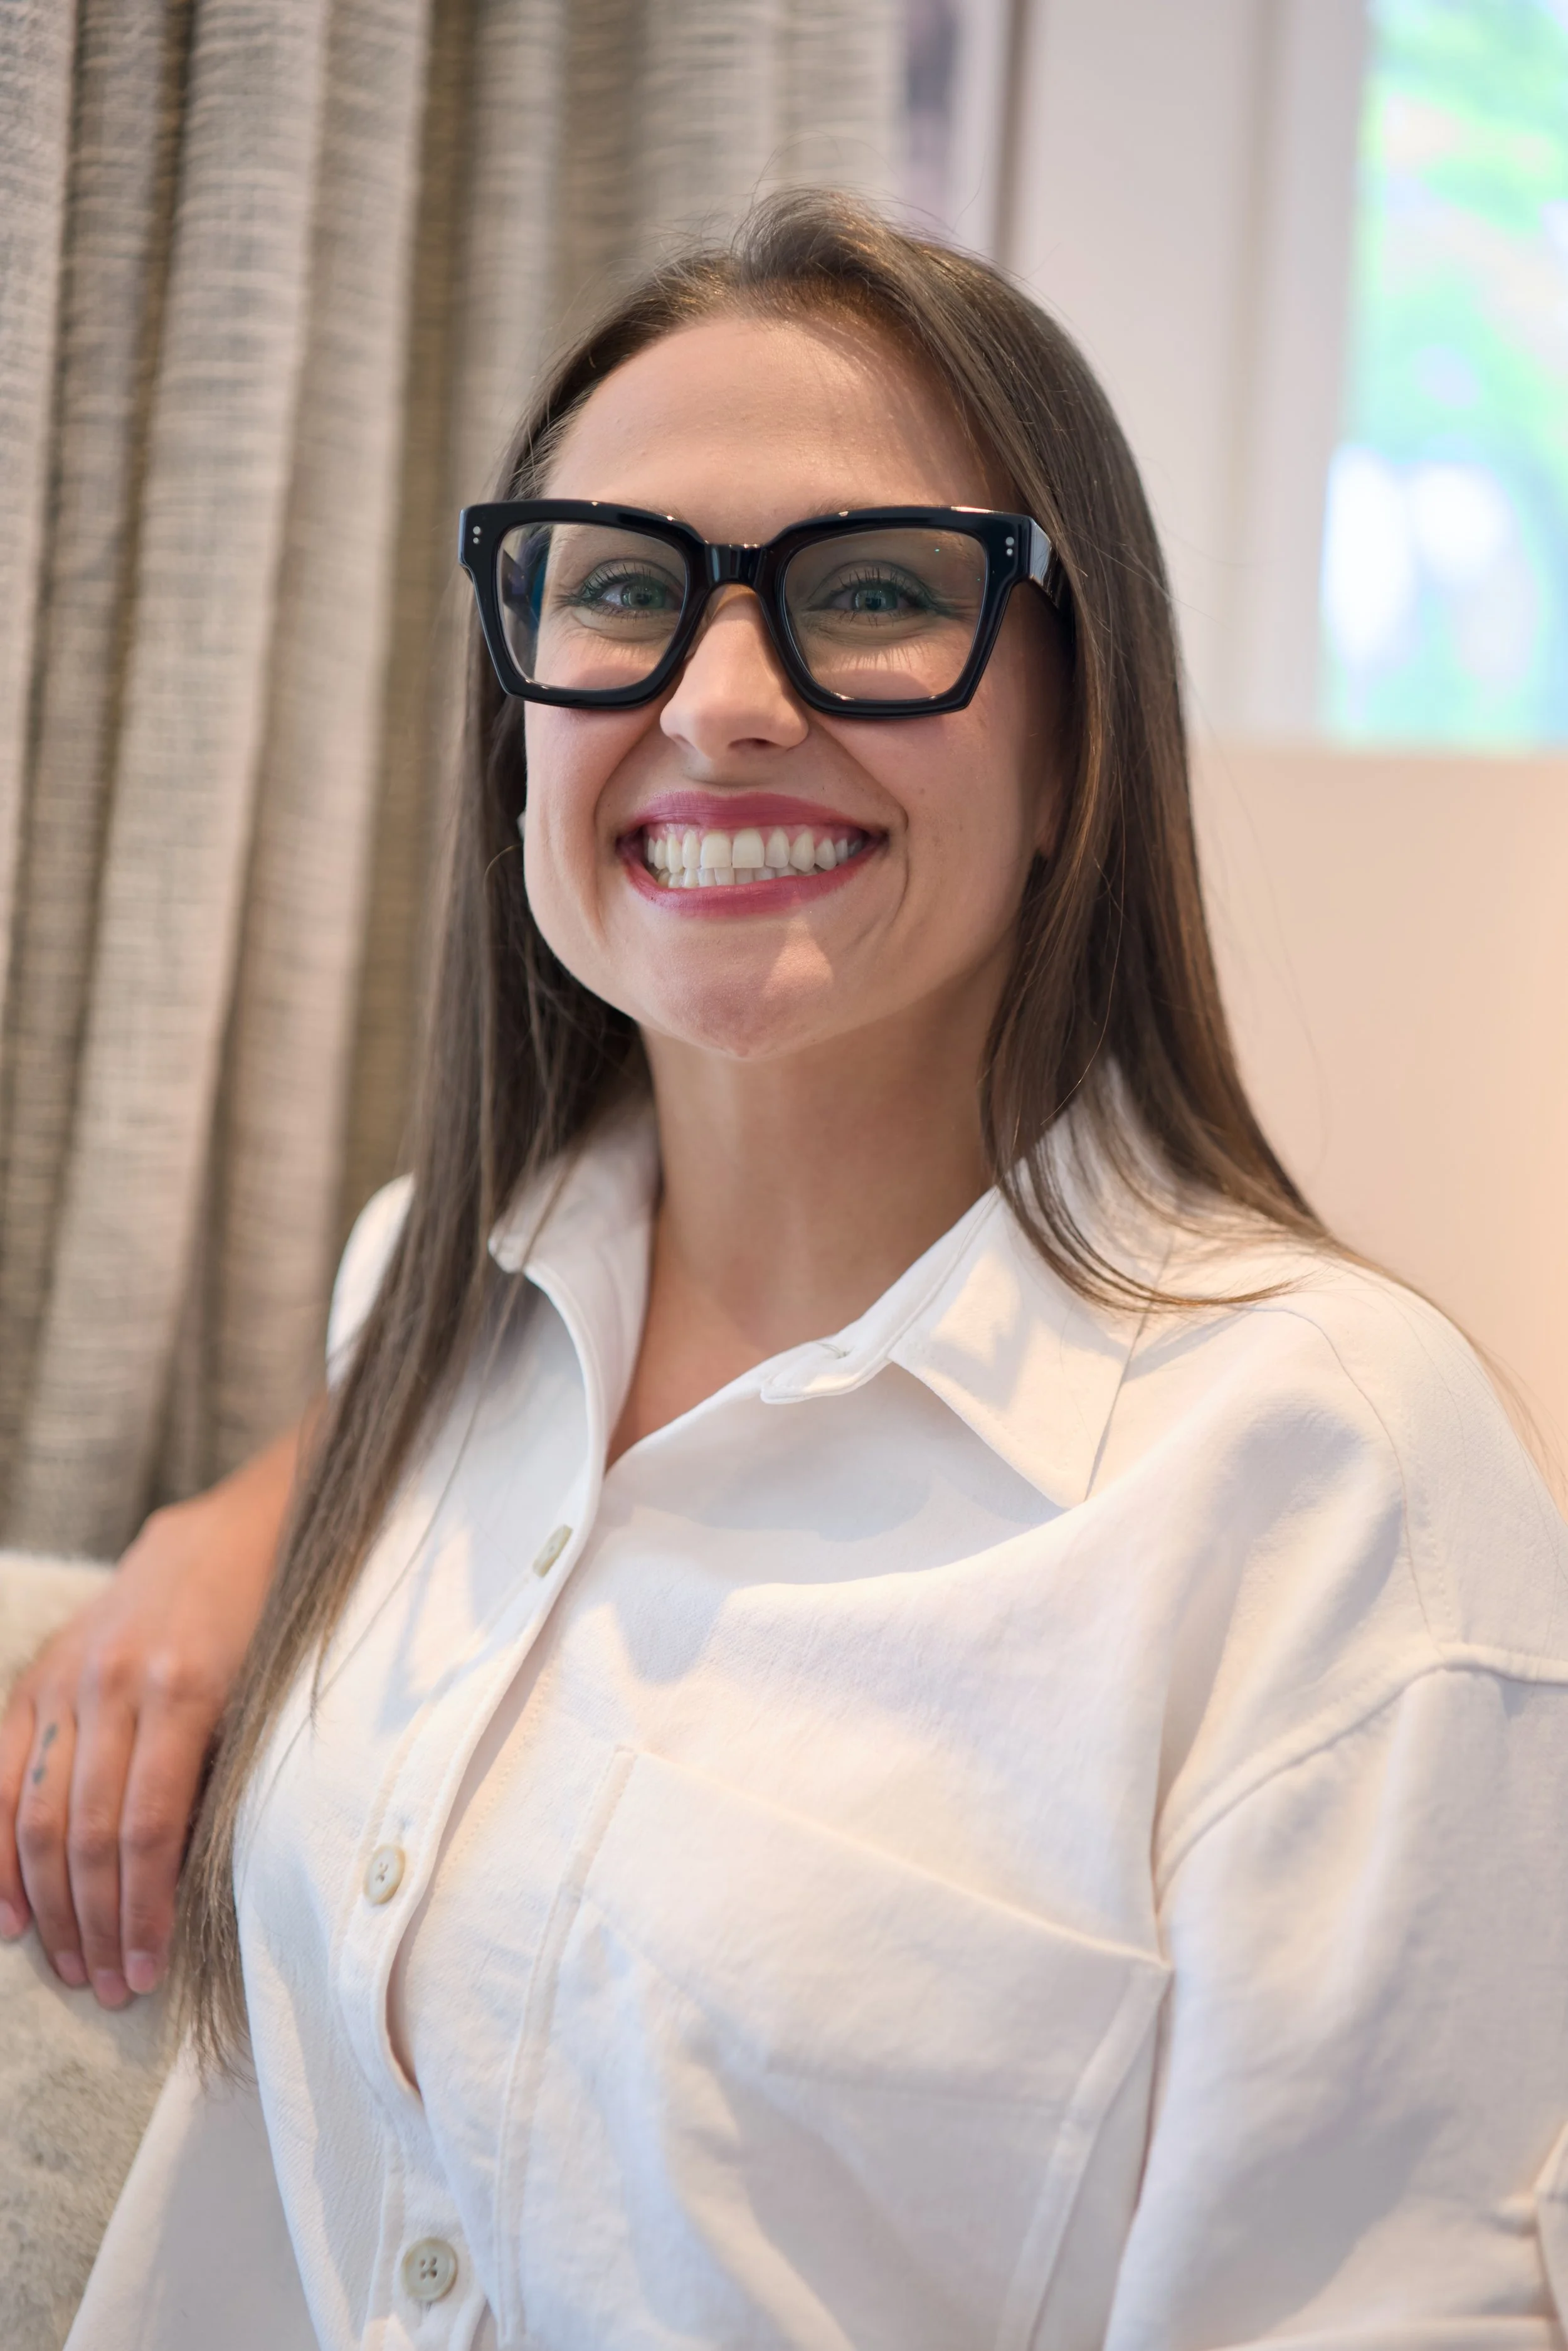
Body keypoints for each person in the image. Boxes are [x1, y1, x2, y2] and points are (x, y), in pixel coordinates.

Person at [9, 191, 1568, 2348]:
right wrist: (238, 1526)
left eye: (871, 596)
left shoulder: (1336, 1498)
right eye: (621, 593)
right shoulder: (433, 1314)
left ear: (1075, 742)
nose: (721, 701)